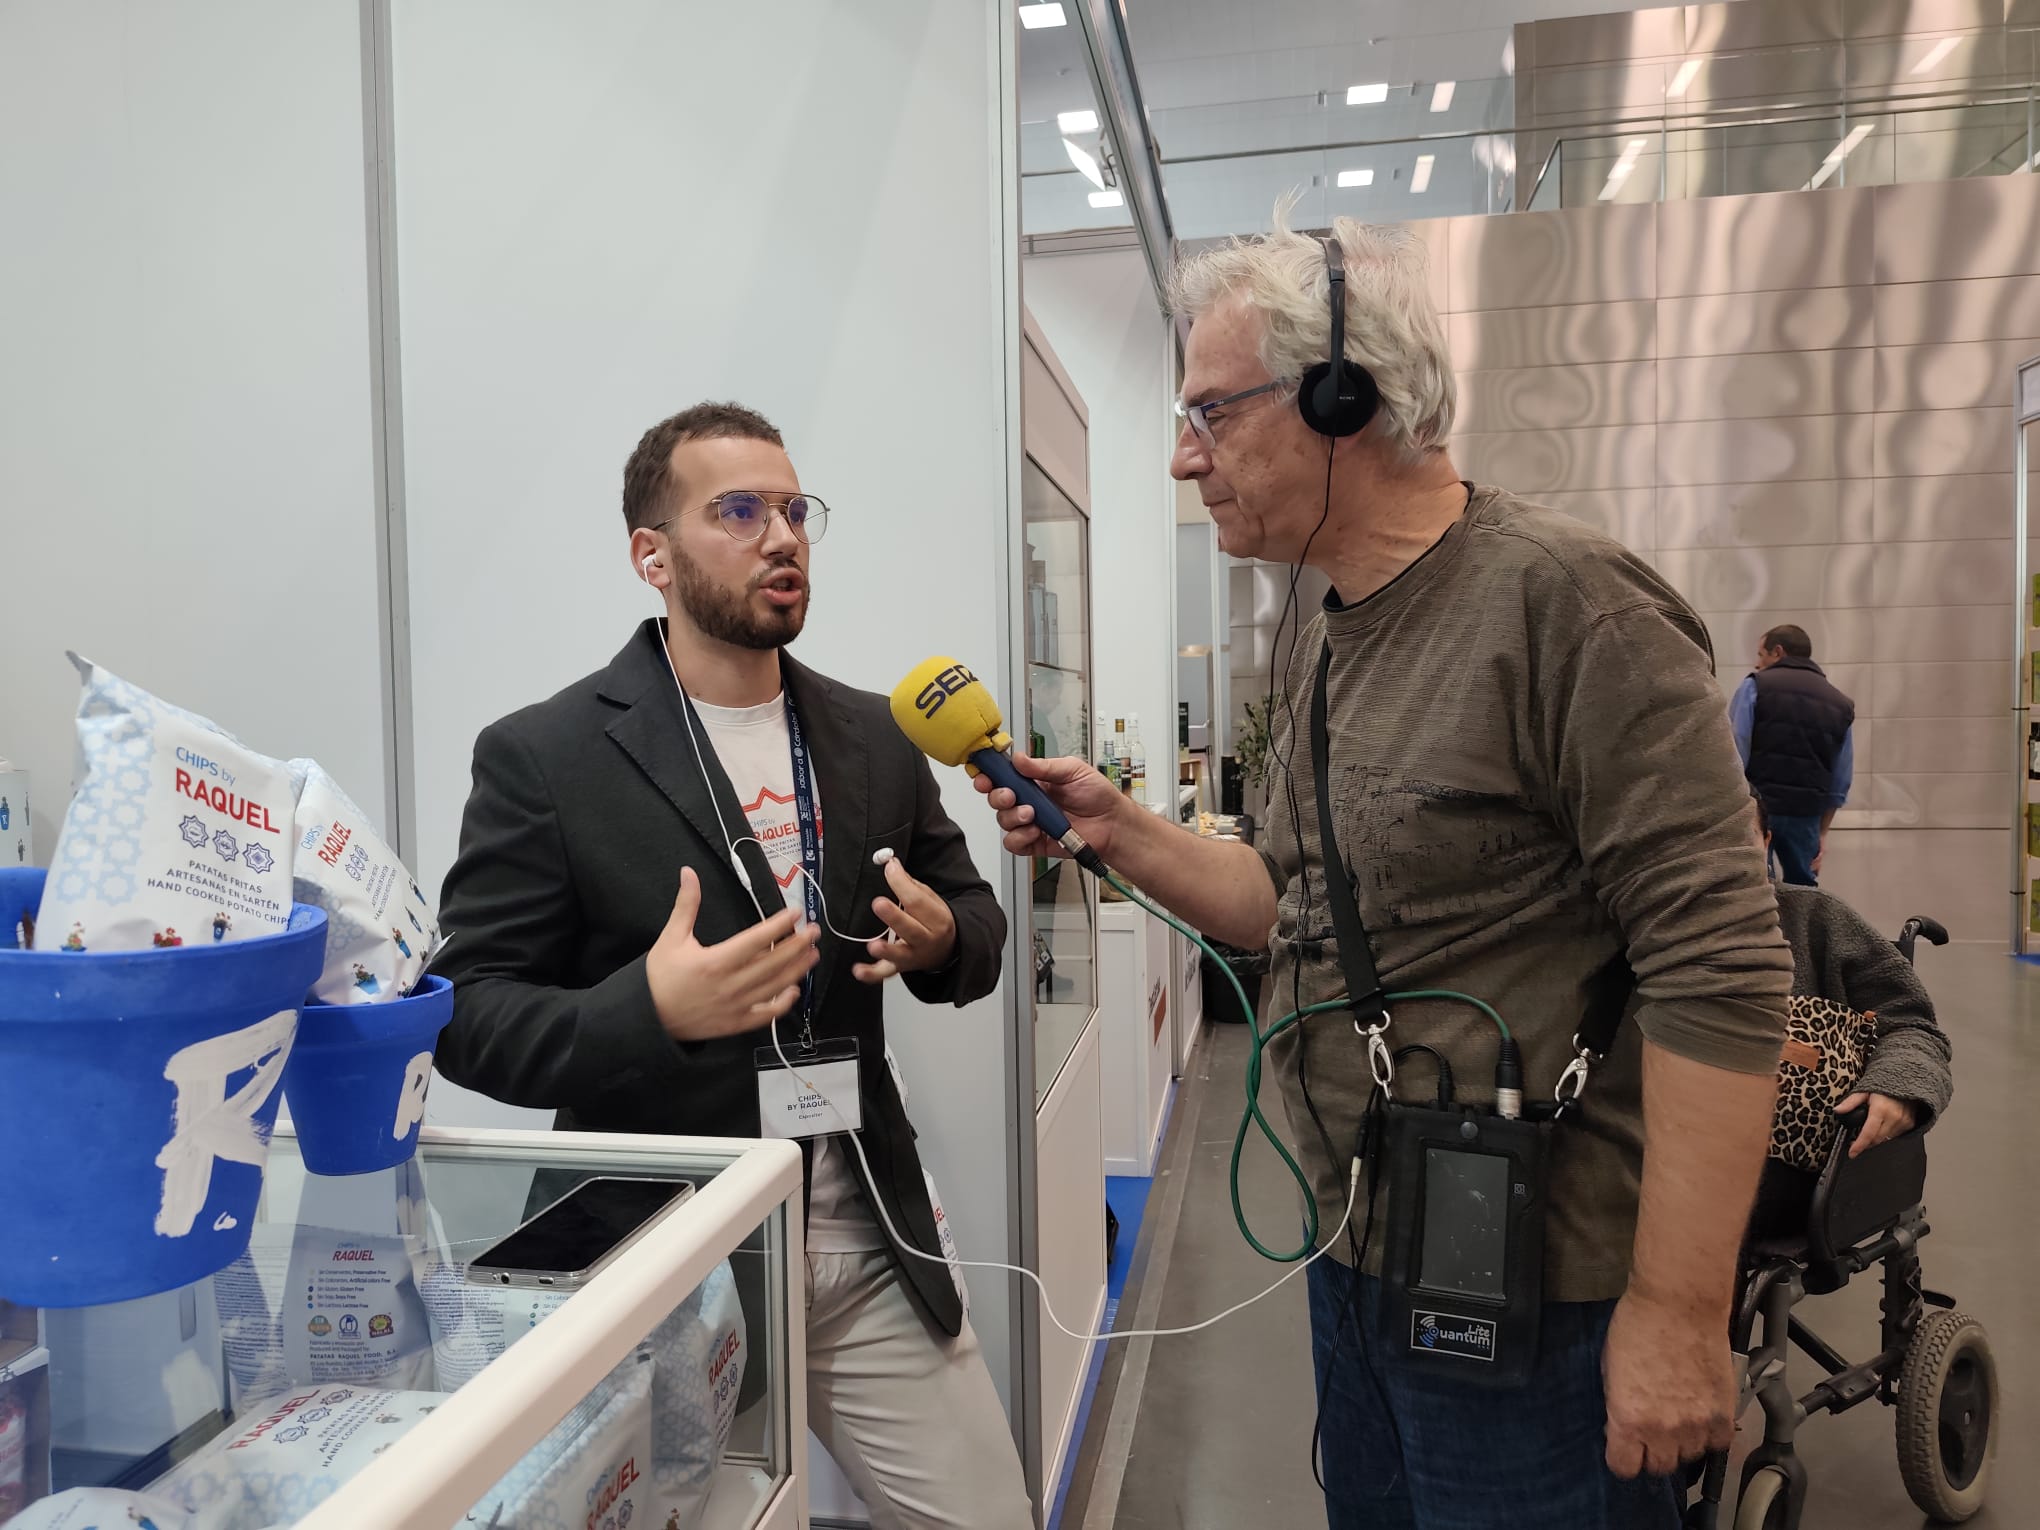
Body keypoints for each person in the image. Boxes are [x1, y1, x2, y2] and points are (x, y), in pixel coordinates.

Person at [976, 213, 1792, 1530]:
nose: (1185, 460)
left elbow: (1723, 965)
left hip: (1552, 1285)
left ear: (1343, 396)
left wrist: (1682, 1311)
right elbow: (1282, 901)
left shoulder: (1567, 605)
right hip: (1366, 1248)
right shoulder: (1329, 632)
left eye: (1210, 414)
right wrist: (1118, 828)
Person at [433, 402, 1033, 1530]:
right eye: (739, 512)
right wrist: (648, 1007)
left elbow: (976, 922)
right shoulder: (547, 756)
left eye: (795, 510)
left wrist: (945, 940)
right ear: (650, 556)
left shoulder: (874, 735)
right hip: (662, 1255)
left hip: (865, 1232)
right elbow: (467, 1015)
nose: (783, 537)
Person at [1747, 793, 1952, 1239]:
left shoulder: (1815, 921)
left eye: (1732, 839)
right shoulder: (1623, 932)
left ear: (1765, 842)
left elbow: (1912, 1026)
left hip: (1773, 1167)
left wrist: (1899, 1088)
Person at [1728, 624, 1855, 887]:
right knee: (1804, 890)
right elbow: (1841, 777)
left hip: (1759, 811)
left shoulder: (1755, 686)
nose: (1756, 662)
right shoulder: (1839, 703)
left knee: (1758, 885)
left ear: (1778, 652)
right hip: (1806, 815)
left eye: (1760, 654)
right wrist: (1822, 832)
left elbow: (1736, 749)